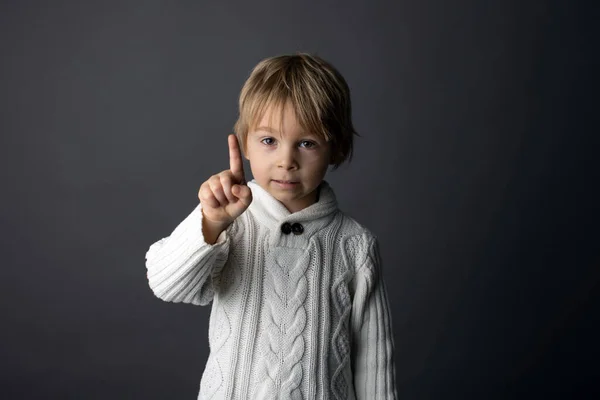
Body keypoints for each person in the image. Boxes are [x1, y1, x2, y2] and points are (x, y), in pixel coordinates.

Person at [145, 53, 398, 399]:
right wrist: (212, 222)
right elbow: (166, 284)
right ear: (245, 143)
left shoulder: (355, 245)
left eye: (307, 143)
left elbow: (375, 363)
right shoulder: (228, 219)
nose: (286, 161)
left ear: (335, 149)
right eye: (269, 141)